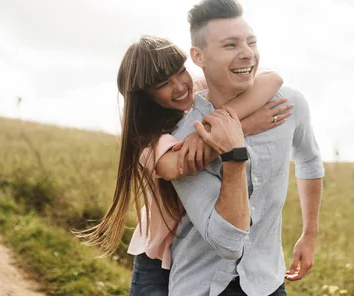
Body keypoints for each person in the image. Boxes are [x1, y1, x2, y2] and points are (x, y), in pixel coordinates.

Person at [76, 35, 294, 295]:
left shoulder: (196, 92)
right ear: (144, 94)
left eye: (181, 72)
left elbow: (272, 79)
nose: (180, 86)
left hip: (196, 252)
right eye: (164, 83)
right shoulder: (148, 140)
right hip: (158, 261)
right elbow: (177, 165)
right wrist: (244, 126)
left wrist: (225, 121)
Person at [168, 0, 324, 296]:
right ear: (198, 57)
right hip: (201, 286)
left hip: (267, 281)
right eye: (230, 45)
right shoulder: (184, 138)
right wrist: (232, 153)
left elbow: (310, 162)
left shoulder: (289, 104)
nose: (247, 55)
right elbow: (225, 242)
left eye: (251, 43)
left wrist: (309, 234)